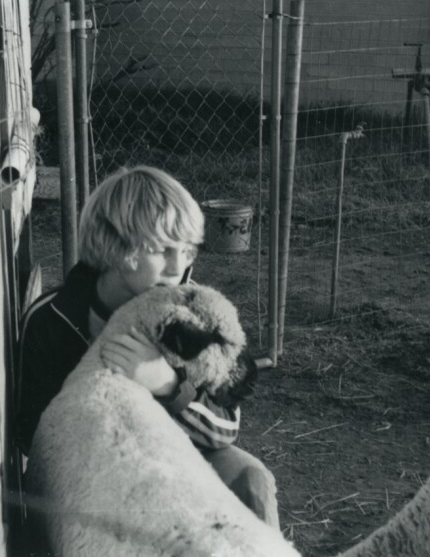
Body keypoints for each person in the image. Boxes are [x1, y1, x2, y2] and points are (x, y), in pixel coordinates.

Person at [15, 165, 279, 535]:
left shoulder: (192, 314)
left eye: (186, 250)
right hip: (92, 472)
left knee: (252, 479)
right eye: (160, 250)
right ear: (114, 245)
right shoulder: (54, 318)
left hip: (177, 457)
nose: (178, 266)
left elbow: (226, 429)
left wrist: (169, 386)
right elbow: (29, 435)